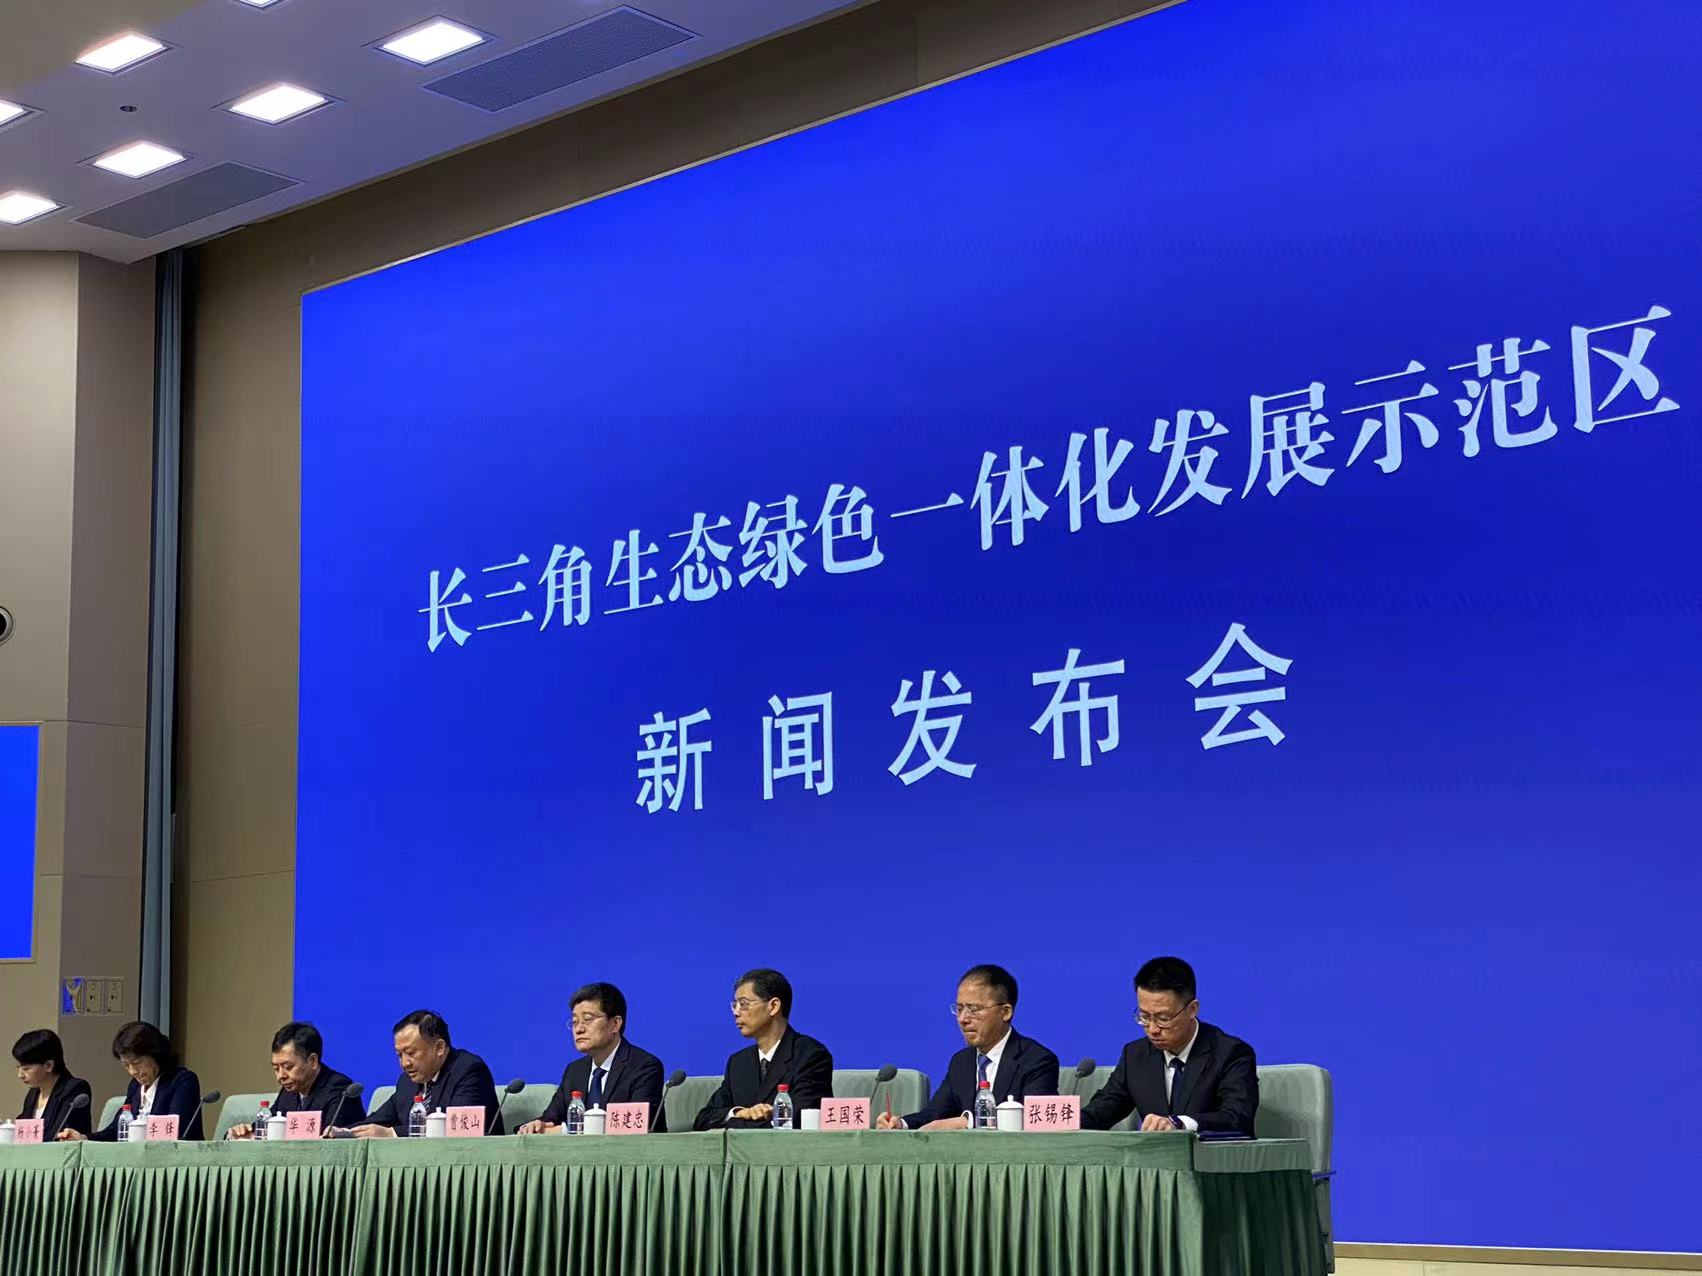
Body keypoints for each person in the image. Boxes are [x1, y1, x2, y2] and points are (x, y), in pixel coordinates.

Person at [1081, 956, 1258, 1134]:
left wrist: (1179, 1123)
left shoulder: (1231, 1053)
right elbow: (1099, 1114)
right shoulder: (1135, 1055)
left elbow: (1238, 1118)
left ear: (1192, 1009)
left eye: (1163, 1018)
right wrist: (1067, 1121)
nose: (1153, 1029)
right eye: (1144, 1016)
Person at [876, 964, 1059, 1130]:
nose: (963, 1019)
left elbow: (1034, 1121)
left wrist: (969, 1122)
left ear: (1005, 1012)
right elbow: (934, 1115)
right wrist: (901, 1123)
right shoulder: (961, 1061)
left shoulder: (1037, 1060)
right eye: (959, 1008)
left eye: (973, 1009)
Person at [692, 968, 832, 1130]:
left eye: (744, 1004)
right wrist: (739, 1113)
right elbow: (704, 1120)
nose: (736, 1012)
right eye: (735, 1005)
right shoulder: (738, 1063)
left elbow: (798, 1119)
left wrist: (734, 1123)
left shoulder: (810, 1055)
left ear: (773, 1006)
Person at [520, 982, 667, 1134]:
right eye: (575, 1021)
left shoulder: (644, 1066)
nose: (579, 1029)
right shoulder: (575, 1071)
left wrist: (565, 1130)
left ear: (615, 1024)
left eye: (587, 1019)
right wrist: (536, 1127)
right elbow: (549, 1120)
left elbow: (635, 1125)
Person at [342, 1010, 501, 1137]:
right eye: (399, 1055)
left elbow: (457, 1127)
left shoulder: (469, 1070)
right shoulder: (406, 1081)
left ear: (439, 1047)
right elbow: (378, 1121)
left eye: (411, 1053)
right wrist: (342, 1132)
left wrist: (392, 1133)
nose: (404, 1063)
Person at [59, 1021, 204, 1141]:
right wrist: (84, 1138)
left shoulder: (182, 1081)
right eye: (126, 1065)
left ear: (156, 1055)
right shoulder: (135, 1086)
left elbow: (177, 1132)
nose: (133, 1071)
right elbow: (116, 1130)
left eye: (137, 1062)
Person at [224, 1021, 364, 1139]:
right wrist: (243, 1134)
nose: (281, 1076)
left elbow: (331, 1141)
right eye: (276, 1068)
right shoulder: (288, 1093)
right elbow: (264, 1129)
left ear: (312, 1061)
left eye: (288, 1067)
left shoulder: (340, 1089)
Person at [13, 1029, 93, 1138]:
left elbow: (61, 1135)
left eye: (26, 1069)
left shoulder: (75, 1089)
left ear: (49, 1065)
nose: (20, 1075)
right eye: (19, 1068)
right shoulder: (33, 1093)